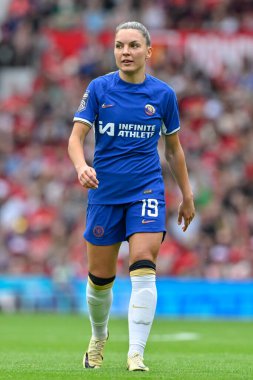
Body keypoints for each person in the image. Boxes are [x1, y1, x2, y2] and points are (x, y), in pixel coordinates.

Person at [68, 21, 195, 372]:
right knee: (100, 279)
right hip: (105, 193)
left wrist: (187, 194)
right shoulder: (98, 89)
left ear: (148, 51)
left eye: (133, 46)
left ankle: (136, 353)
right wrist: (81, 167)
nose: (126, 52)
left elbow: (174, 151)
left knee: (143, 263)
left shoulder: (164, 95)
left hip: (146, 190)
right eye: (120, 46)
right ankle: (98, 336)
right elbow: (76, 138)